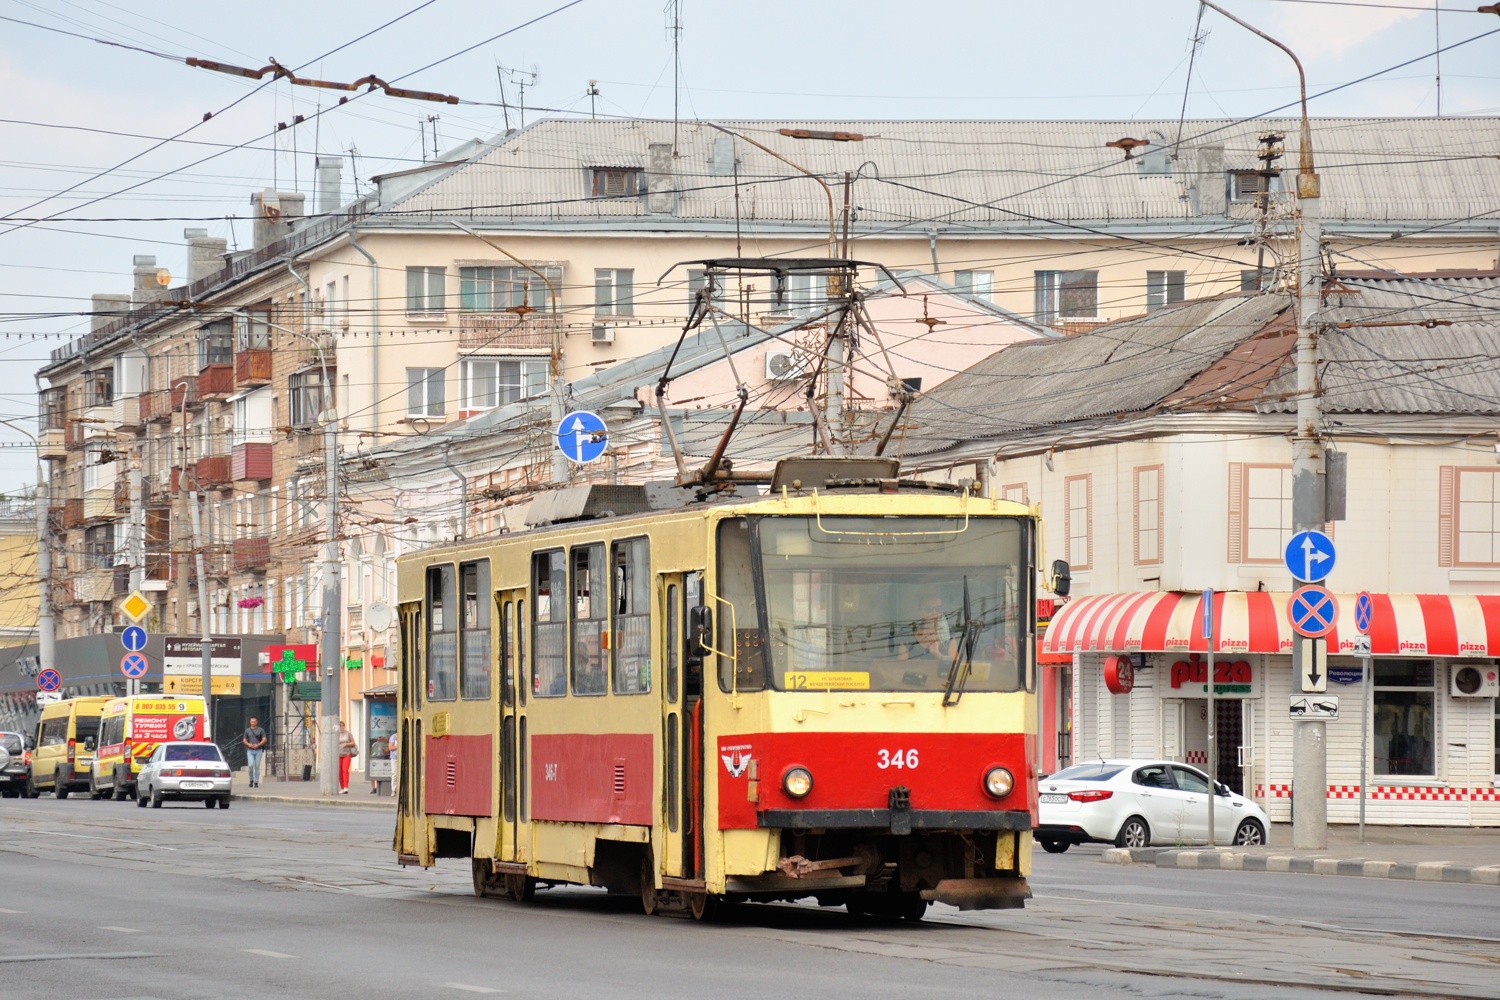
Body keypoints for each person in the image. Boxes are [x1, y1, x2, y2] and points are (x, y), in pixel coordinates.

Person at [241, 717, 267, 788]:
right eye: (252, 722)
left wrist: (258, 745)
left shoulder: (261, 730)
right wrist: (249, 744)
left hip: (258, 750)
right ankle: (251, 780)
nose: (253, 723)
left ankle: (256, 782)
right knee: (250, 765)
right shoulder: (247, 730)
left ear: (256, 722)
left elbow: (264, 739)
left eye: (254, 721)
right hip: (250, 750)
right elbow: (244, 740)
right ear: (250, 722)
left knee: (257, 766)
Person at [337, 722, 356, 794]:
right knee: (339, 771)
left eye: (342, 726)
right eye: (340, 726)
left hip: (347, 754)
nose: (341, 727)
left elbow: (353, 743)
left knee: (345, 770)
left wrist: (346, 744)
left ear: (344, 726)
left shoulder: (348, 733)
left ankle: (345, 787)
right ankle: (342, 787)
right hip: (338, 754)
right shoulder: (336, 734)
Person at [386, 730, 399, 797]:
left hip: (402, 757)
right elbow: (390, 747)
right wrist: (398, 747)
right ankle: (394, 790)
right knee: (395, 773)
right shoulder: (393, 737)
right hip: (395, 758)